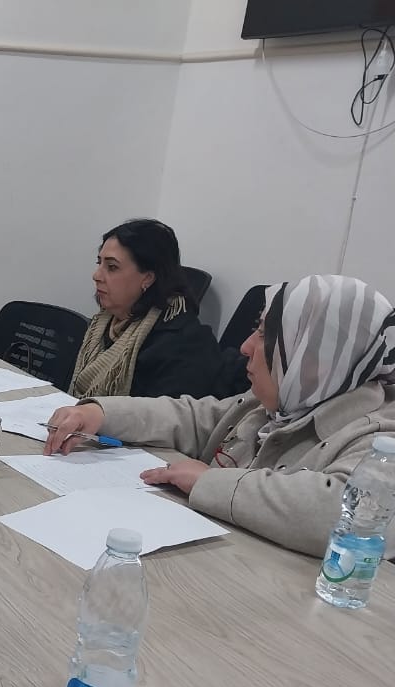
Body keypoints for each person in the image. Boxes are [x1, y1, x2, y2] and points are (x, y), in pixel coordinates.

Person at [44, 275, 395, 557]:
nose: (245, 346)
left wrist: (209, 482)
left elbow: (344, 515)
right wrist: (100, 413)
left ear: (315, 357)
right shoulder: (278, 404)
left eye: (264, 335)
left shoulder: (381, 441)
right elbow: (195, 418)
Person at [69, 219, 245, 400]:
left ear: (148, 278)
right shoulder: (103, 324)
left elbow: (163, 415)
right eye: (99, 263)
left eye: (112, 267)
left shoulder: (182, 343)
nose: (96, 275)